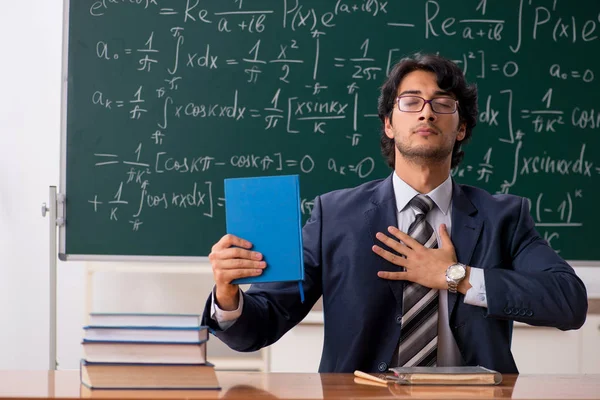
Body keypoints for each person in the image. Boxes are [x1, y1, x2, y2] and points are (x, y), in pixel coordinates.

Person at [201, 53, 587, 373]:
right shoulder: (334, 216)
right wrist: (227, 294)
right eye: (411, 101)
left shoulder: (504, 217)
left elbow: (570, 303)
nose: (426, 113)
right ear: (388, 123)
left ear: (462, 127)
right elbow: (258, 327)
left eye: (442, 103)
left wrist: (456, 276)